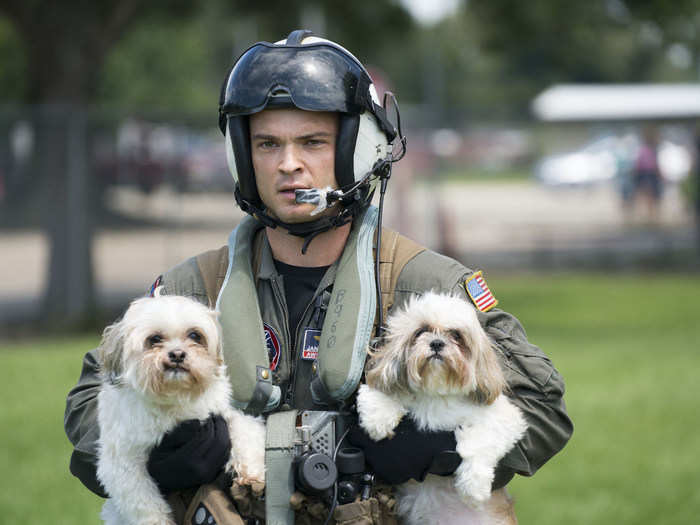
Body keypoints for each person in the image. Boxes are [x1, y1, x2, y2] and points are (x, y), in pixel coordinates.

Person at [64, 30, 573, 524]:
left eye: (312, 142)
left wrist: (439, 449)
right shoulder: (191, 290)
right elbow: (90, 400)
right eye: (267, 144)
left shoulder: (426, 286)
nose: (289, 165)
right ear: (242, 156)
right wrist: (155, 451)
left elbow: (542, 403)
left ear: (357, 149)